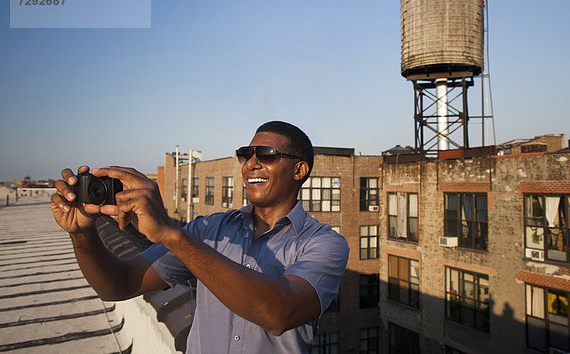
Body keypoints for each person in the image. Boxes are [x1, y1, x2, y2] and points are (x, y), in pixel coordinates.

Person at [50, 121, 349, 353]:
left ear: (299, 170)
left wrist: (171, 233)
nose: (251, 164)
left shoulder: (324, 244)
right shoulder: (208, 231)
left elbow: (279, 313)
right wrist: (82, 233)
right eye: (246, 154)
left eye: (267, 155)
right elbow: (119, 285)